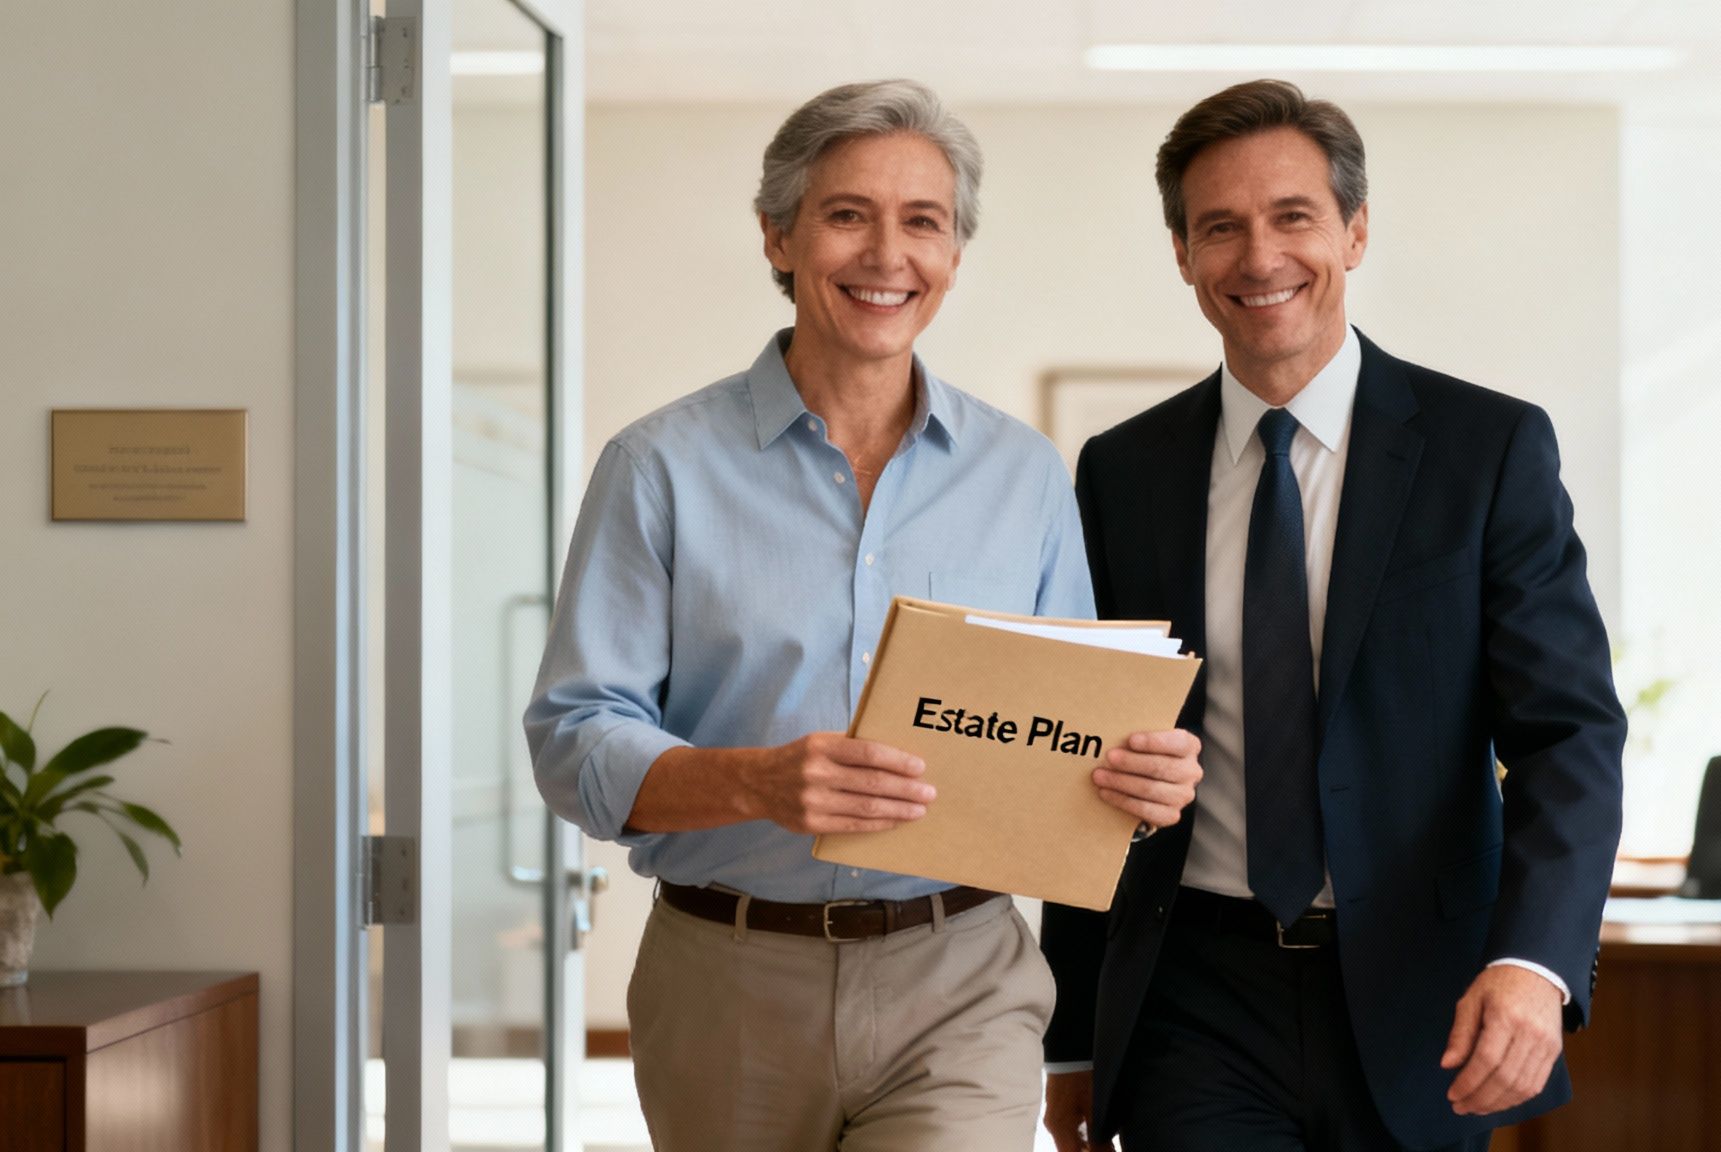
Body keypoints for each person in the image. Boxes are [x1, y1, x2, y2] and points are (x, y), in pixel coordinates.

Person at [525, 79, 1203, 1151]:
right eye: (847, 215)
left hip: (961, 979)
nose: (887, 254)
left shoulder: (1020, 478)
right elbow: (573, 740)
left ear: (953, 255)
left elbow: (1074, 740)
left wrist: (1138, 782)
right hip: (727, 980)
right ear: (778, 237)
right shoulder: (656, 467)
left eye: (922, 221)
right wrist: (755, 778)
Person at [1040, 80, 1626, 1152]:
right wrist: (1072, 1038)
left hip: (1420, 997)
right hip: (1191, 995)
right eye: (1218, 227)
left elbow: (1568, 733)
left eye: (1291, 217)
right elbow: (1095, 756)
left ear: (1353, 232)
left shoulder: (1484, 452)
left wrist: (1535, 962)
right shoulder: (1120, 473)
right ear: (1181, 255)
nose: (1257, 256)